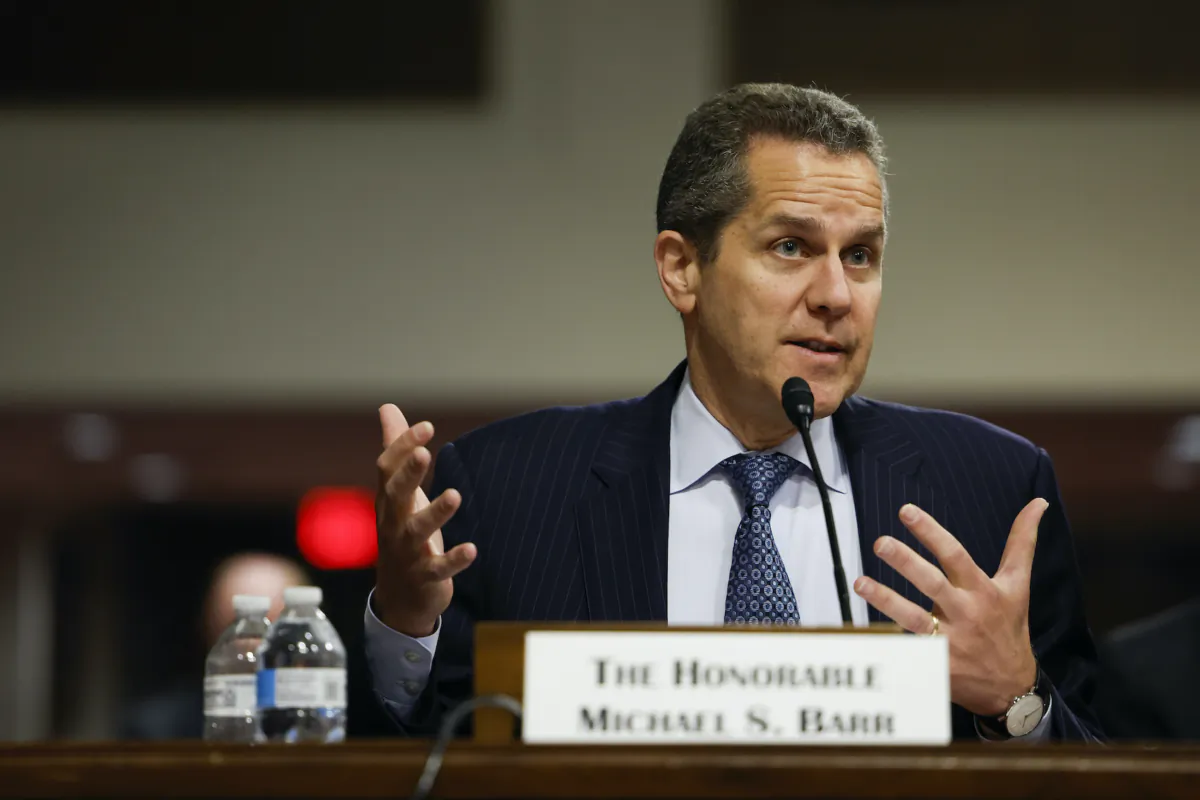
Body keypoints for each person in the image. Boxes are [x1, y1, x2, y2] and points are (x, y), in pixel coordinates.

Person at [364, 83, 1102, 741]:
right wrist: (406, 622)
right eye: (792, 246)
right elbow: (420, 761)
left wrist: (1016, 701)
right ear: (682, 268)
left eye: (860, 255)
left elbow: (1113, 768)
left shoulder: (993, 489)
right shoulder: (508, 488)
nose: (836, 295)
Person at [121, 552, 308, 739]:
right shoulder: (157, 727)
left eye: (272, 627)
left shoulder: (319, 722)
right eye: (237, 626)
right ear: (208, 625)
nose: (254, 646)